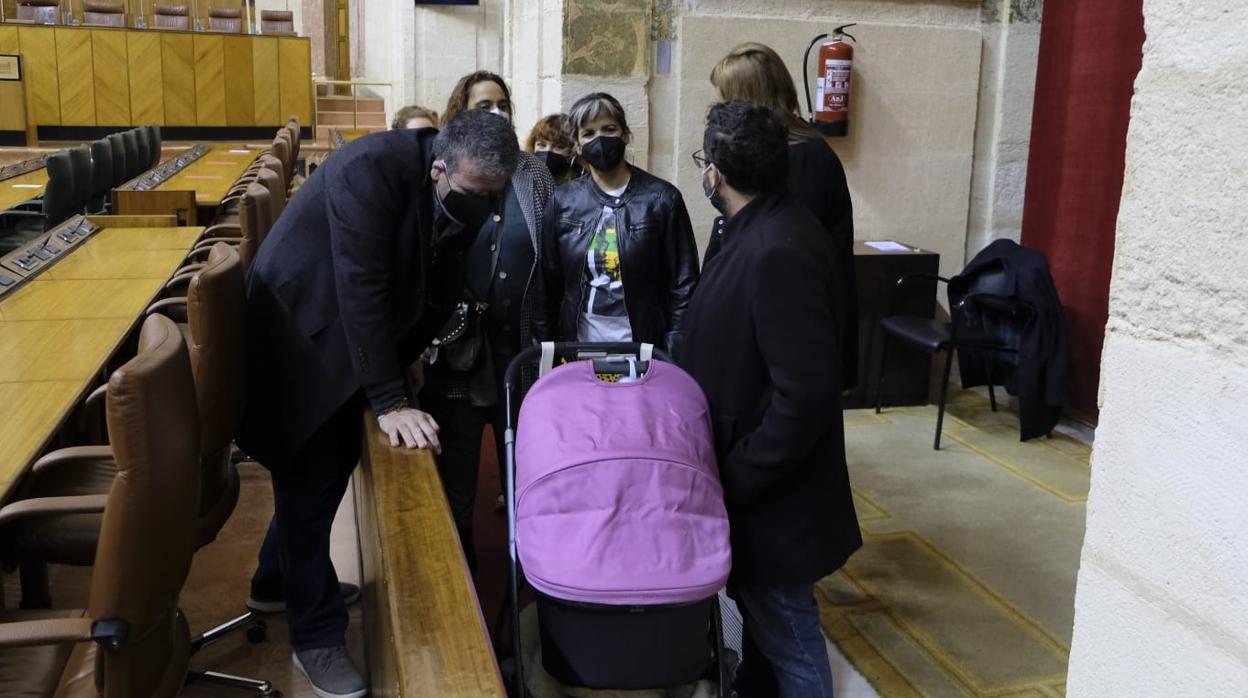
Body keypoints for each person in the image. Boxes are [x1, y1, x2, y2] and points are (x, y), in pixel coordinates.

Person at [235, 109, 520, 698]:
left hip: (349, 328)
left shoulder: (463, 185)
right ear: (439, 166)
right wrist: (389, 400)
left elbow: (444, 279)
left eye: (496, 198)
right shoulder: (371, 170)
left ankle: (273, 581)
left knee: (322, 475)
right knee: (312, 470)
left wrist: (411, 353)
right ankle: (316, 636)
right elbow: (359, 287)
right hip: (301, 330)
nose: (484, 209)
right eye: (475, 194)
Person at [679, 101, 861, 698]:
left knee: (789, 635)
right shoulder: (756, 226)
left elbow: (804, 394)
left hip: (775, 492)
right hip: (757, 480)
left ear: (717, 175)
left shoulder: (779, 245)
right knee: (761, 629)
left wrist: (738, 475)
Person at [419, 72, 554, 567]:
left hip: (519, 350)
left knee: (527, 471)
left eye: (502, 104)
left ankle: (531, 578)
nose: (496, 113)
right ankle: (462, 577)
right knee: (458, 477)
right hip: (458, 354)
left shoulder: (532, 173)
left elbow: (548, 260)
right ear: (461, 112)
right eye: (483, 105)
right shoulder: (447, 172)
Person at [710, 42, 860, 390]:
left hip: (792, 323)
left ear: (748, 97)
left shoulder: (805, 157)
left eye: (726, 99)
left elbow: (781, 251)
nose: (722, 109)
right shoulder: (774, 152)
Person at [538, 92, 699, 355]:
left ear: (625, 134)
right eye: (588, 133)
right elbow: (547, 284)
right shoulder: (563, 201)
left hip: (645, 345)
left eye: (608, 129)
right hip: (580, 343)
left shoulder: (661, 199)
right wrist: (545, 352)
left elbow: (683, 284)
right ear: (577, 145)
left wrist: (674, 352)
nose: (599, 139)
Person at [525, 113, 581, 184]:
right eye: (541, 145)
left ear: (572, 150)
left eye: (559, 147)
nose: (547, 151)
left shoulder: (580, 185)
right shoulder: (521, 180)